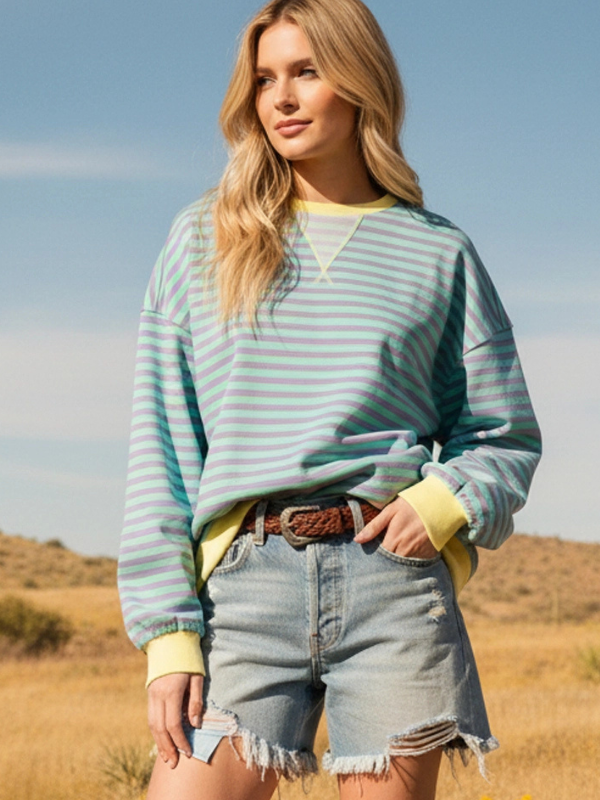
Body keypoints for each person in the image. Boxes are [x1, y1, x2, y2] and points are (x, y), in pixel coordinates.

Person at [118, 0, 541, 798]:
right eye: (264, 79)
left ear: (359, 81)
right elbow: (163, 448)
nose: (280, 97)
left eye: (306, 72)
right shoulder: (203, 238)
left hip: (394, 589)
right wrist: (168, 638)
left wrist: (441, 503)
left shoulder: (437, 251)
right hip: (243, 591)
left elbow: (502, 434)